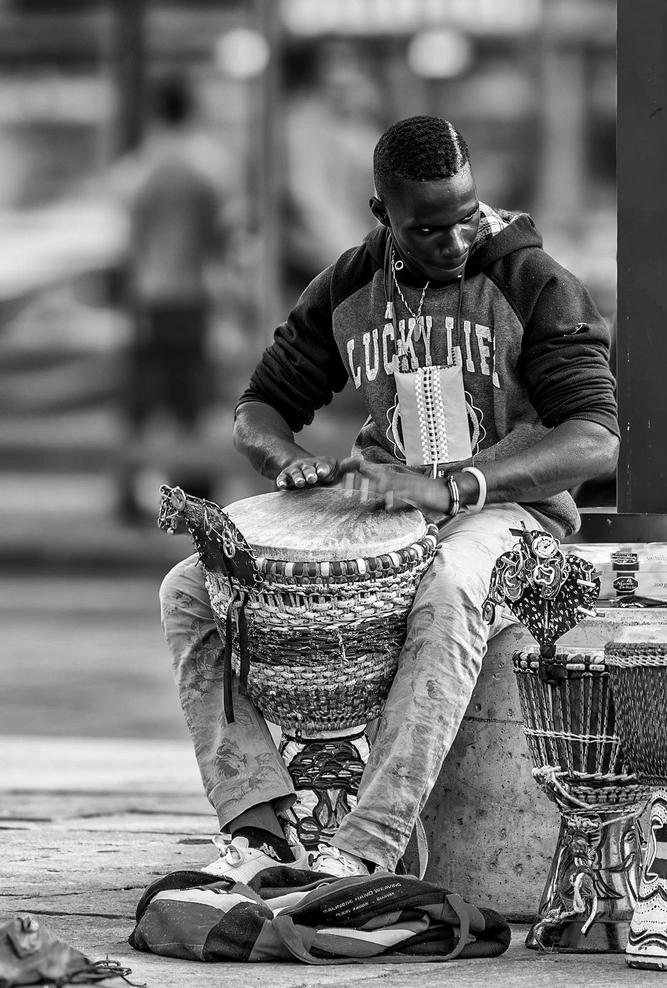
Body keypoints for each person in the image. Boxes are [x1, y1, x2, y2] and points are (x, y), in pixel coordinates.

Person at [158, 115, 619, 880]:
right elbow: (259, 408)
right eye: (430, 228)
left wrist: (457, 486)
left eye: (468, 217)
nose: (456, 240)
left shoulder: (534, 283)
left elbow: (596, 437)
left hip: (512, 516)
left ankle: (365, 848)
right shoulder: (349, 284)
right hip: (380, 507)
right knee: (191, 588)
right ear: (383, 214)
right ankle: (257, 823)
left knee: (449, 586)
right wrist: (287, 460)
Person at [112, 71, 234, 522]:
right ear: (192, 107)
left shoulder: (138, 167)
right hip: (194, 295)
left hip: (149, 296)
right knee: (195, 399)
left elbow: (127, 241)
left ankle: (129, 490)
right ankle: (197, 490)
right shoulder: (209, 165)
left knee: (143, 399)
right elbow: (223, 239)